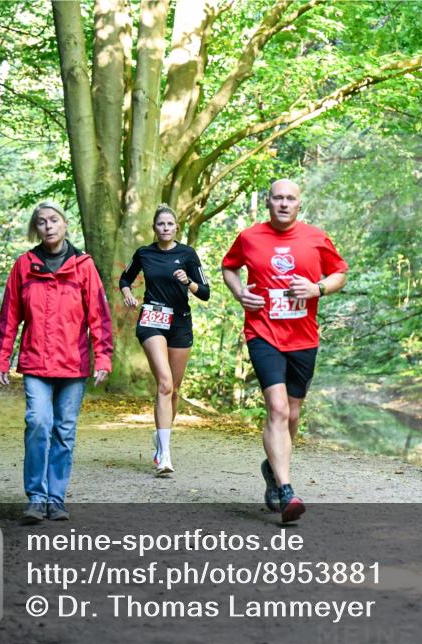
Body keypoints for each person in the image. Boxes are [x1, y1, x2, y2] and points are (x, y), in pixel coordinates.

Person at [222, 179, 347, 522]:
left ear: (298, 204)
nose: (284, 203)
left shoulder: (316, 238)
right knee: (277, 409)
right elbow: (229, 267)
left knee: (291, 415)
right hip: (262, 333)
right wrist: (239, 293)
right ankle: (286, 489)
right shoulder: (249, 237)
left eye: (290, 198)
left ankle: (272, 469)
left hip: (303, 338)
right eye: (278, 197)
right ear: (268, 202)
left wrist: (317, 288)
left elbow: (339, 273)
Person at [0, 202, 113, 525]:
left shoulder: (83, 266)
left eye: (53, 220)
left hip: (73, 364)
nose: (48, 226)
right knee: (38, 421)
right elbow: (9, 316)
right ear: (36, 229)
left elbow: (99, 315)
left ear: (65, 224)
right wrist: (2, 357)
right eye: (42, 222)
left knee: (64, 430)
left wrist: (103, 356)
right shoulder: (24, 265)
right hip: (36, 362)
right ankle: (36, 497)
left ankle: (56, 499)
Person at [120, 204, 210, 476]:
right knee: (165, 383)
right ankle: (164, 454)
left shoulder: (187, 254)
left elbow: (205, 292)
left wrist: (188, 282)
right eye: (161, 224)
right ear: (155, 228)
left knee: (175, 389)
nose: (165, 228)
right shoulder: (144, 253)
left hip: (180, 322)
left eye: (170, 224)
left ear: (176, 227)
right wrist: (127, 293)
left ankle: (161, 435)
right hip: (152, 319)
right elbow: (125, 278)